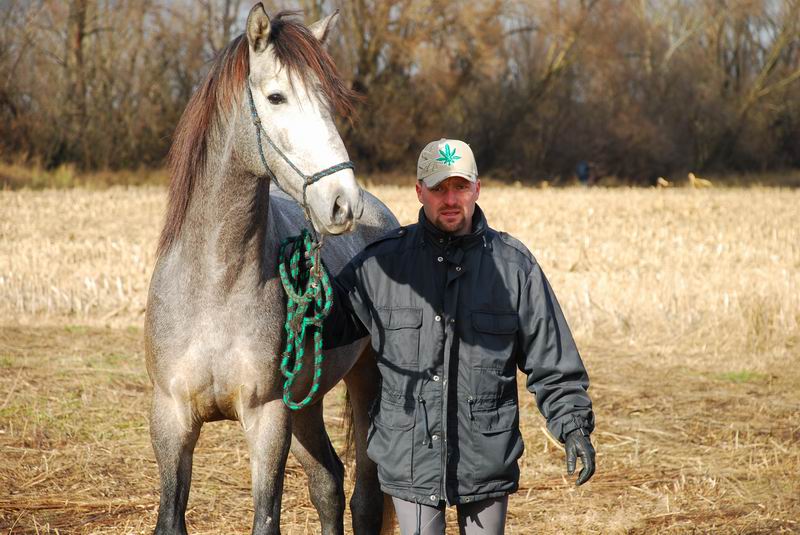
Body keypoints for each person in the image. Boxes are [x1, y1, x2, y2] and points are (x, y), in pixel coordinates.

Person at [324, 139, 596, 534]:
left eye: (460, 187)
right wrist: (305, 290)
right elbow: (328, 324)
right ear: (419, 191)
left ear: (477, 188)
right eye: (438, 189)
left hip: (485, 454)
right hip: (410, 459)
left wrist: (573, 426)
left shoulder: (514, 268)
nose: (450, 199)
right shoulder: (382, 265)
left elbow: (552, 358)